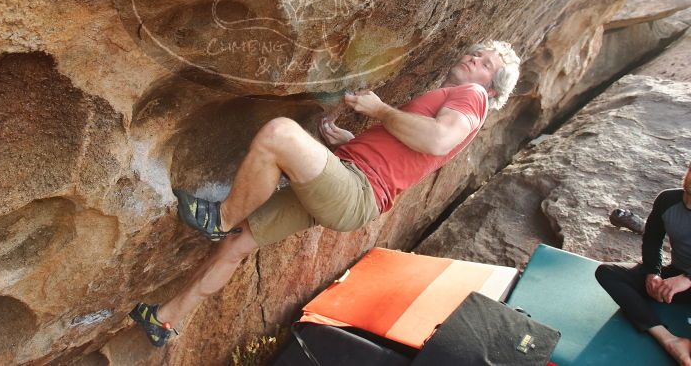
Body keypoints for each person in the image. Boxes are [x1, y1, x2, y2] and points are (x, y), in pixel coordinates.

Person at [129, 41, 521, 347]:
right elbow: (408, 153)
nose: (476, 60)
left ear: (491, 85)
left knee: (279, 133)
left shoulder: (473, 96)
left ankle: (219, 218)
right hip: (352, 181)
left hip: (356, 190)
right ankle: (165, 320)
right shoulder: (450, 99)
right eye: (477, 53)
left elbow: (438, 140)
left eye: (488, 64)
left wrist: (380, 109)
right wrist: (352, 142)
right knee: (238, 244)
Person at [596, 164, 691, 366]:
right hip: (673, 279)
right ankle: (669, 339)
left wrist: (687, 279)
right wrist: (652, 273)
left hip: (684, 281)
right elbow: (652, 240)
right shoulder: (668, 200)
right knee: (607, 272)